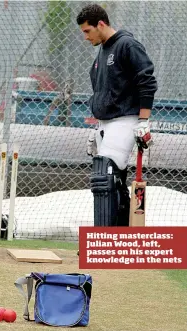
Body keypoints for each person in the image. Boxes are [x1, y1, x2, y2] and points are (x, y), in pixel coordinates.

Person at [76, 4, 157, 227]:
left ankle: (103, 240)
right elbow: (104, 91)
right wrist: (98, 127)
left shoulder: (126, 45)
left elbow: (147, 80)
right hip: (107, 123)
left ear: (100, 24)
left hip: (125, 120)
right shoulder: (102, 51)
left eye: (87, 31)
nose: (85, 37)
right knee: (113, 181)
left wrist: (143, 121)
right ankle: (119, 238)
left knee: (105, 175)